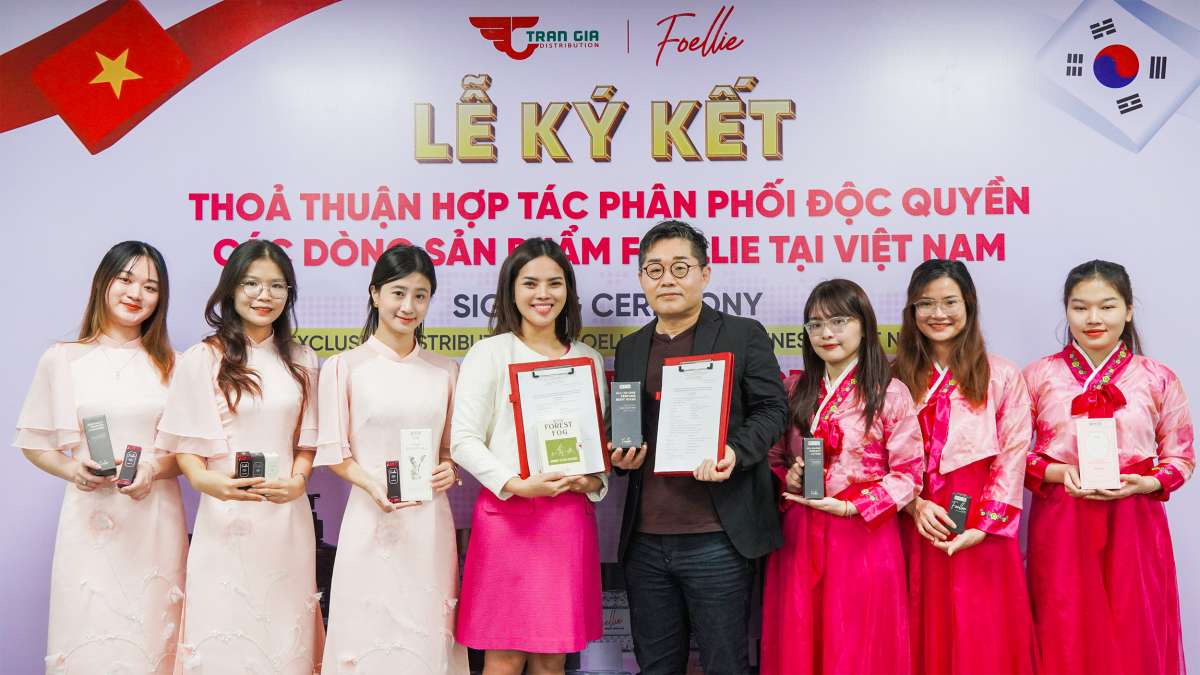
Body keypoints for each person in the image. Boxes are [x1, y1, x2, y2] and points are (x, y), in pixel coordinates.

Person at [608, 220, 788, 674]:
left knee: (725, 664)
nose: (666, 279)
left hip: (718, 536)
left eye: (680, 267)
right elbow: (626, 424)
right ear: (641, 279)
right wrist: (621, 456)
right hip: (646, 540)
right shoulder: (631, 348)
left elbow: (773, 409)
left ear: (705, 274)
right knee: (656, 666)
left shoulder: (742, 334)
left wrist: (735, 452)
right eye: (654, 269)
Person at [15, 241, 188, 674]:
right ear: (103, 283)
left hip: (155, 519)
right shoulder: (62, 358)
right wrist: (72, 469)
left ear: (161, 299)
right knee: (89, 629)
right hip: (90, 520)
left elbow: (187, 452)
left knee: (152, 636)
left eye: (150, 287)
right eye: (126, 279)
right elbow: (35, 442)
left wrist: (152, 469)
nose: (136, 294)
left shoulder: (176, 365)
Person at [156, 240, 323, 673]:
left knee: (282, 636)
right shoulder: (204, 358)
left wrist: (299, 481)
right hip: (224, 517)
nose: (264, 296)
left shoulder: (303, 359)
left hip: (285, 517)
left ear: (288, 294)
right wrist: (204, 481)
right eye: (252, 284)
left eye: (277, 286)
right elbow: (185, 445)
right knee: (225, 629)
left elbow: (306, 442)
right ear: (231, 289)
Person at [1023, 260, 1192, 674]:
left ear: (1128, 310)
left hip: (1134, 520)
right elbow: (1012, 453)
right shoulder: (1038, 376)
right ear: (1066, 310)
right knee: (1062, 625)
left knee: (1133, 627)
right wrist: (1058, 473)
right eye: (1080, 308)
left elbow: (1182, 457)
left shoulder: (1157, 378)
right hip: (1062, 519)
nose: (1093, 319)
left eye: (1107, 306)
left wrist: (1144, 483)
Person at [451, 238, 607, 675]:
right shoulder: (490, 353)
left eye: (555, 283)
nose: (544, 294)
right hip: (508, 517)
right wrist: (515, 484)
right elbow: (463, 439)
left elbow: (598, 446)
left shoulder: (588, 360)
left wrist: (593, 481)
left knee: (553, 657)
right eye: (530, 283)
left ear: (568, 291)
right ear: (511, 290)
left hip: (567, 519)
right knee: (503, 656)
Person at [316, 244, 468, 673]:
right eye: (398, 293)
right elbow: (335, 452)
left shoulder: (445, 370)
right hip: (370, 518)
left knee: (425, 631)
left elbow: (450, 449)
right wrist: (370, 484)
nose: (408, 306)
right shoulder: (344, 367)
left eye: (421, 295)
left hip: (428, 523)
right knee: (367, 631)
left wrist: (449, 469)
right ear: (375, 293)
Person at [761, 278, 923, 675]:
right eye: (815, 324)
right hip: (800, 531)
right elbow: (774, 458)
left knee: (858, 641)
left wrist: (853, 507)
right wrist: (789, 478)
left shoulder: (890, 392)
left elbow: (908, 475)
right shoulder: (795, 388)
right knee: (800, 636)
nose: (826, 333)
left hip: (863, 533)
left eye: (838, 321)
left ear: (864, 325)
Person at [893, 259, 1035, 674]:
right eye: (925, 304)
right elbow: (878, 454)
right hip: (915, 515)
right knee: (917, 618)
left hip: (982, 518)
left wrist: (986, 524)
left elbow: (1013, 452)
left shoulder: (1001, 374)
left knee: (981, 628)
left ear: (969, 305)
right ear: (912, 310)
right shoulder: (893, 375)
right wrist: (913, 505)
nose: (938, 314)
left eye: (950, 302)